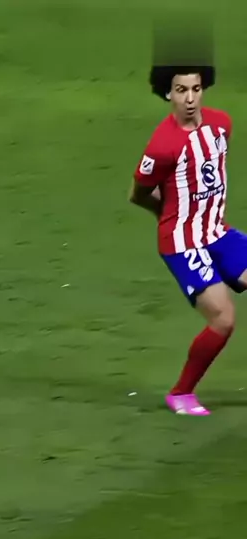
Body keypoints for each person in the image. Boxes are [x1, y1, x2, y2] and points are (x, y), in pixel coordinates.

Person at [129, 65, 247, 415]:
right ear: (169, 93)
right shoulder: (162, 146)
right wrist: (166, 215)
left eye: (196, 89)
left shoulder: (221, 124)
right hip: (182, 243)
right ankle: (181, 393)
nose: (190, 98)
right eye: (181, 90)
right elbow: (138, 194)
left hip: (217, 231)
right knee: (223, 319)